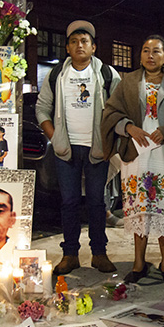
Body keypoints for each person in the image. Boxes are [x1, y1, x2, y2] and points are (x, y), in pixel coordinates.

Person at [101, 35, 164, 284]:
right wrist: (128, 127)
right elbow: (110, 112)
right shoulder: (128, 82)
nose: (150, 55)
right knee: (140, 209)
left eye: (156, 51)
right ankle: (138, 262)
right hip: (137, 154)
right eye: (146, 50)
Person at [36, 20, 120, 275]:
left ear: (93, 47)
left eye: (84, 41)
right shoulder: (56, 75)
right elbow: (42, 108)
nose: (79, 45)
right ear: (67, 48)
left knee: (96, 202)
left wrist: (110, 141)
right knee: (69, 202)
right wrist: (55, 137)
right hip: (67, 150)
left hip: (97, 149)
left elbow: (119, 109)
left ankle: (99, 253)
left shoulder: (106, 74)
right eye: (74, 41)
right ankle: (70, 254)